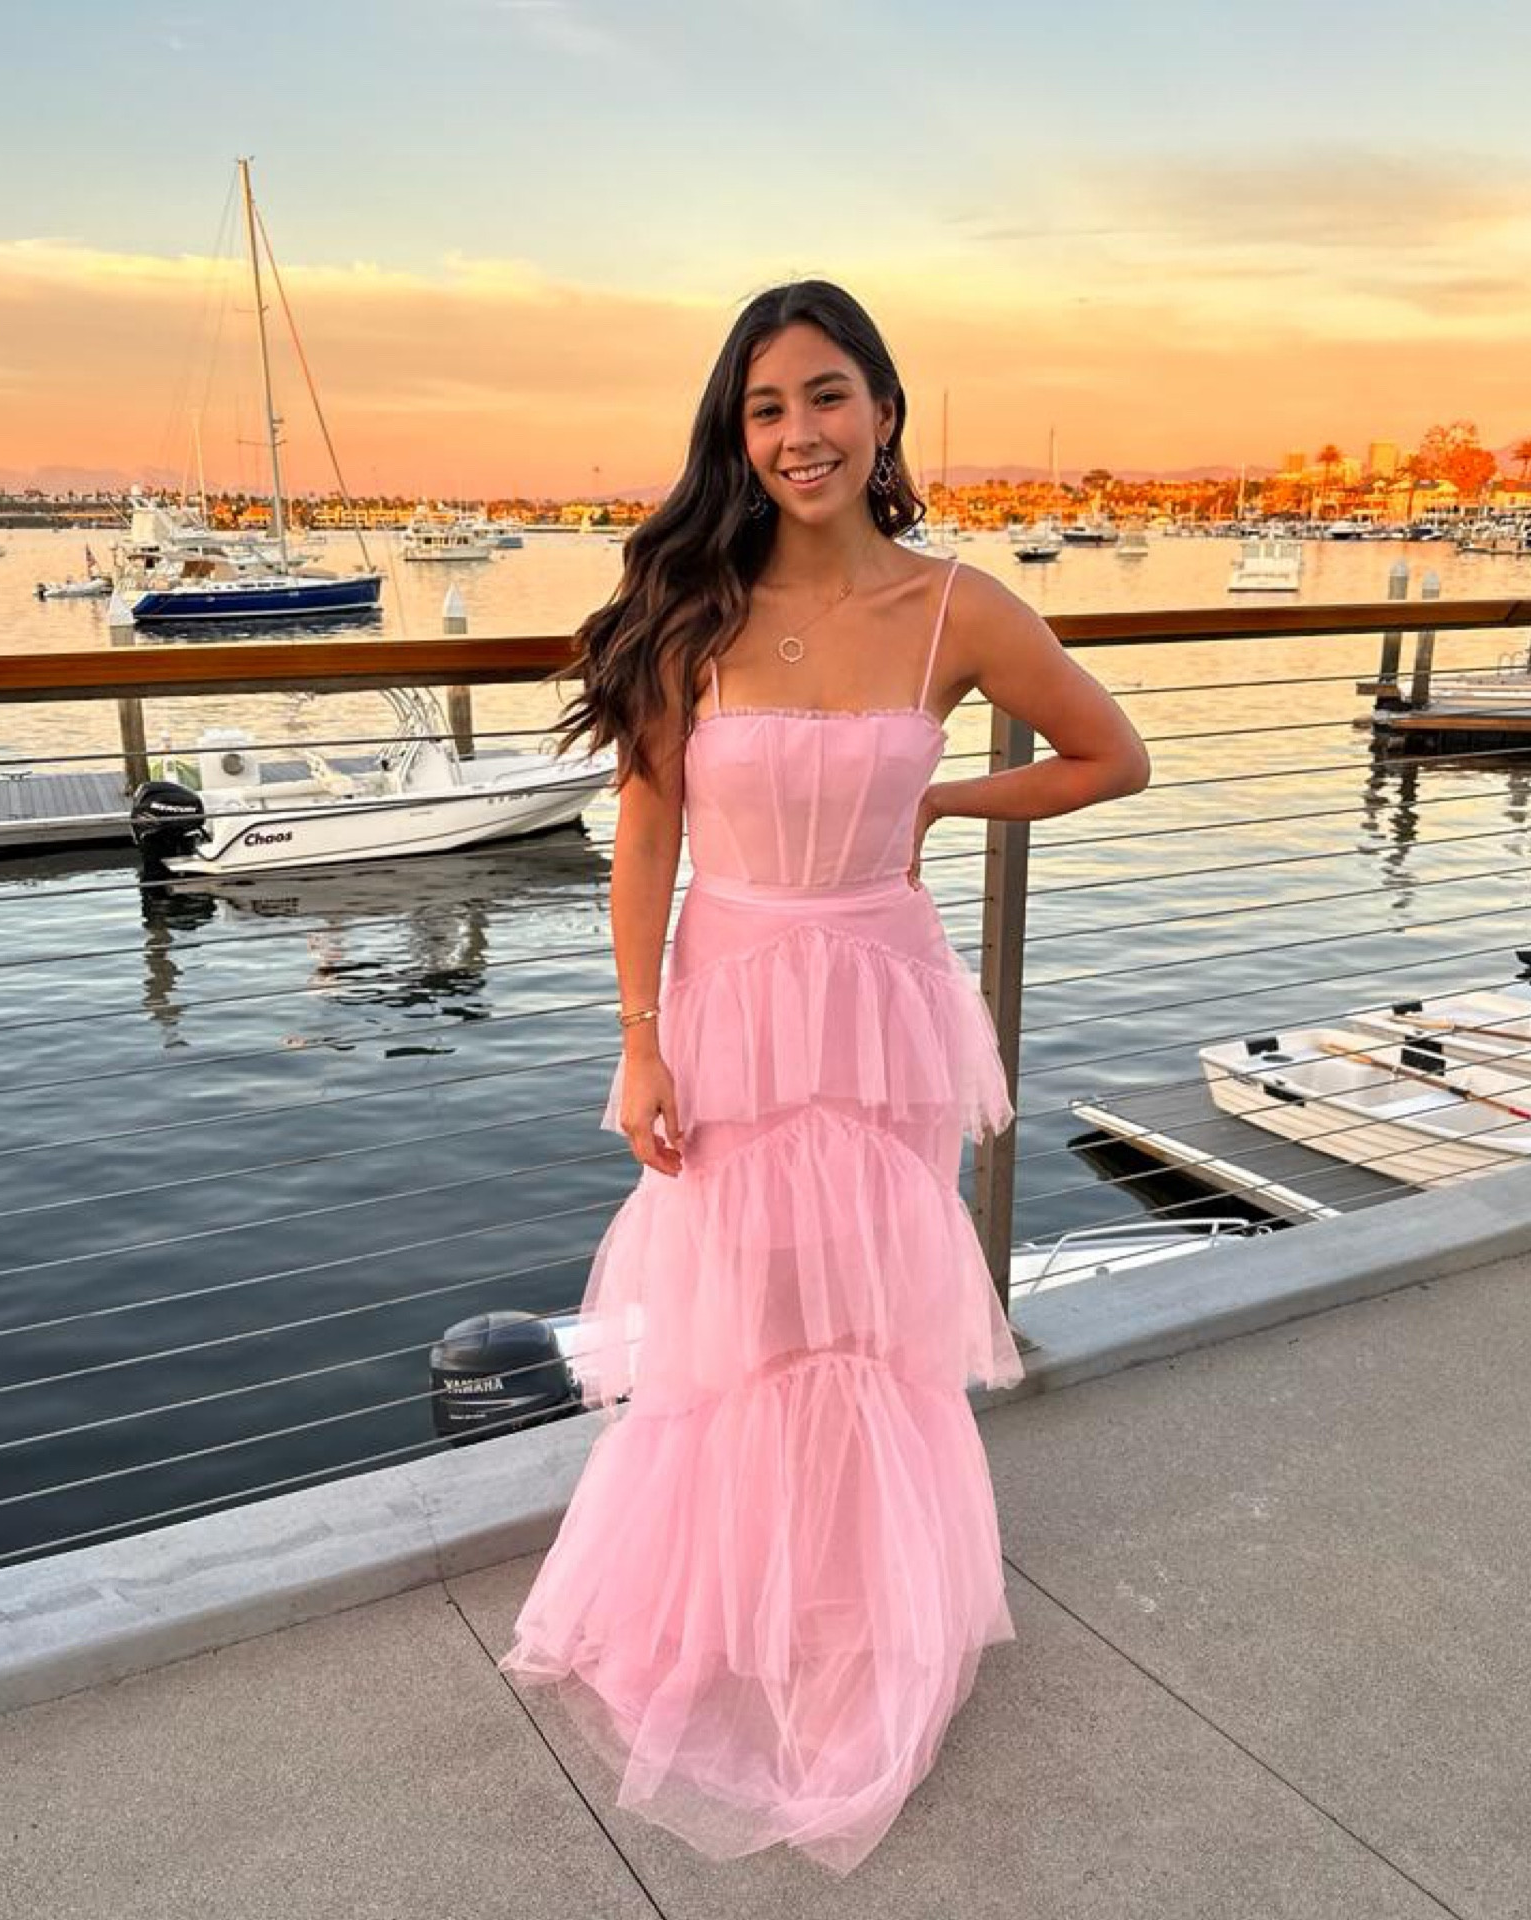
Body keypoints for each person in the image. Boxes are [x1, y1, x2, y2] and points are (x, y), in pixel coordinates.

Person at [498, 279, 1150, 1875]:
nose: (799, 433)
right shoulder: (695, 605)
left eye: (828, 395)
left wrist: (942, 810)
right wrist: (639, 1035)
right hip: (728, 997)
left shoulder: (959, 609)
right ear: (738, 430)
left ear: (884, 412)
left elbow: (1109, 755)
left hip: (874, 999)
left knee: (865, 1324)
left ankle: (864, 1610)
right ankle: (742, 1603)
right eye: (768, 406)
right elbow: (646, 831)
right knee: (741, 1326)